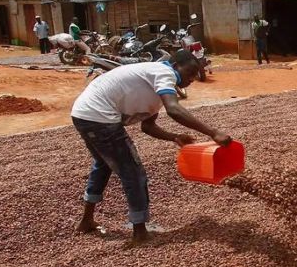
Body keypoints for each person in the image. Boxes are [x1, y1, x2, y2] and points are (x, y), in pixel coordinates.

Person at [71, 50, 232, 243]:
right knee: (132, 171)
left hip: (83, 114)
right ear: (174, 66)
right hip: (99, 116)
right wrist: (213, 132)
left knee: (103, 164)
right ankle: (140, 233)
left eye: (195, 74)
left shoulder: (157, 83)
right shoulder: (164, 74)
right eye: (189, 72)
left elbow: (147, 126)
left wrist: (174, 137)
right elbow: (174, 110)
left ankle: (86, 221)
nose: (192, 78)